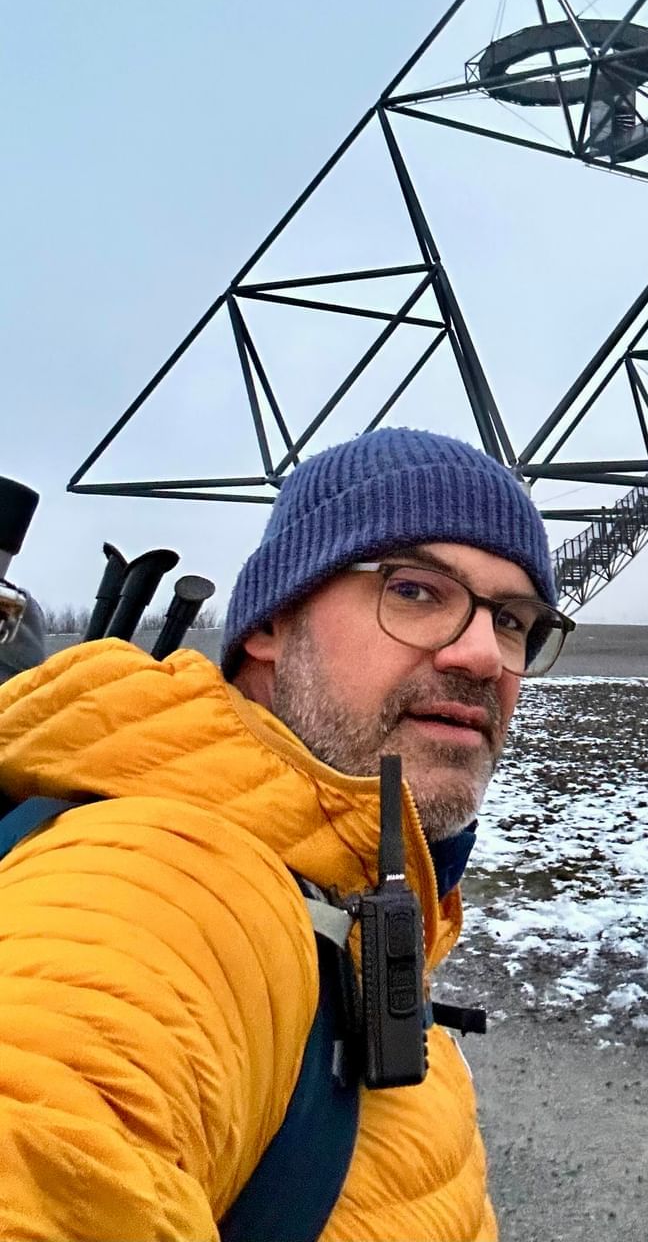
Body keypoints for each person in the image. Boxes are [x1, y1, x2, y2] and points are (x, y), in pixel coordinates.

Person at [0, 427, 571, 1241]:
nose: (484, 655)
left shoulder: (354, 886)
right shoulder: (164, 891)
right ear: (271, 622)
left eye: (513, 620)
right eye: (415, 590)